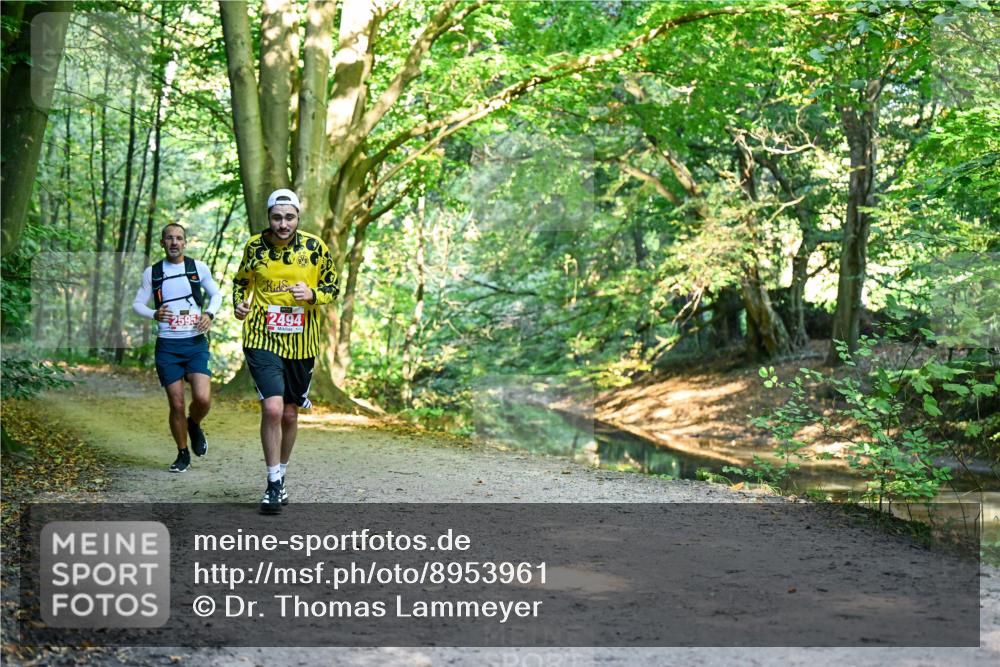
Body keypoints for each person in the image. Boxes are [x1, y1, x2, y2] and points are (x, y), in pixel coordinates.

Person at [233, 189, 338, 514]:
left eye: (289, 217)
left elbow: (333, 288)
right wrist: (240, 303)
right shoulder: (254, 246)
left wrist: (312, 294)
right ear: (269, 217)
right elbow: (241, 281)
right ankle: (273, 482)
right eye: (277, 217)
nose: (283, 224)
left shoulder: (314, 247)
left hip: (301, 341)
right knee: (274, 410)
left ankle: (281, 473)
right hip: (261, 337)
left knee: (291, 414)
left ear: (297, 217)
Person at [133, 223, 222, 472]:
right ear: (162, 243)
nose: (174, 242)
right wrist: (153, 313)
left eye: (179, 238)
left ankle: (194, 424)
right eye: (169, 238)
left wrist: (210, 314)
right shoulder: (153, 273)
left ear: (185, 242)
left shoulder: (197, 268)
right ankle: (183, 454)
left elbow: (217, 295)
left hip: (195, 343)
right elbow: (137, 303)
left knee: (203, 398)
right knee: (177, 405)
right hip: (168, 347)